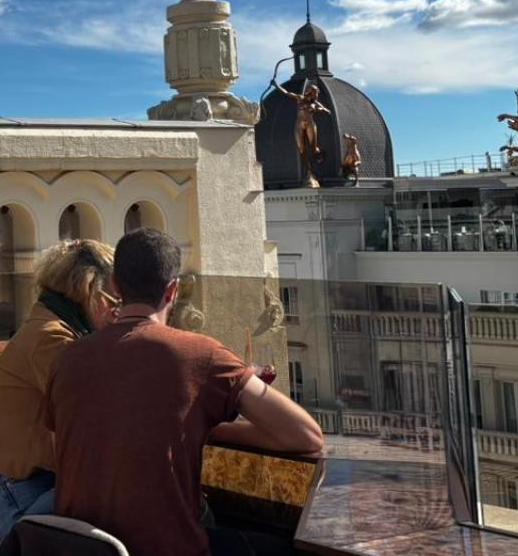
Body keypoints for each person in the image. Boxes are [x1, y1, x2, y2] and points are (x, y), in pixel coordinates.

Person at [46, 229, 325, 556]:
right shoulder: (201, 355)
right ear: (173, 290)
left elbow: (63, 448)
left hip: (82, 548)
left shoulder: (66, 360)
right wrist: (208, 426)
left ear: (117, 287)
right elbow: (306, 436)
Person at [0, 239, 118, 552]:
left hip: (18, 491)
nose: (118, 310)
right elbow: (99, 422)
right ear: (89, 290)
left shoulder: (54, 330)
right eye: (113, 299)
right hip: (8, 498)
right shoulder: (54, 340)